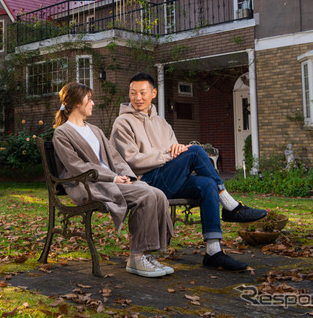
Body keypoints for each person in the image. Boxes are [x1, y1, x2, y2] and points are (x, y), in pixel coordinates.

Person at [110, 73, 267, 271]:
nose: (138, 98)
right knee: (194, 150)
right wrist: (168, 155)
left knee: (206, 184)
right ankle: (230, 205)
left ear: (153, 93)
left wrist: (175, 151)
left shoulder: (162, 123)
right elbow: (132, 161)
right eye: (133, 93)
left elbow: (175, 151)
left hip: (169, 178)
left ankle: (213, 251)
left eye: (143, 93)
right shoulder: (122, 122)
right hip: (146, 182)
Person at [52, 82, 174, 278]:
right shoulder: (62, 133)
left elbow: (115, 157)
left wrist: (127, 177)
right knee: (146, 195)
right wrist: (113, 177)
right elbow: (77, 166)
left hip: (112, 180)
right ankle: (136, 257)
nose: (93, 103)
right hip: (90, 184)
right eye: (89, 99)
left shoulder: (94, 129)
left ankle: (148, 254)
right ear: (76, 103)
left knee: (157, 194)